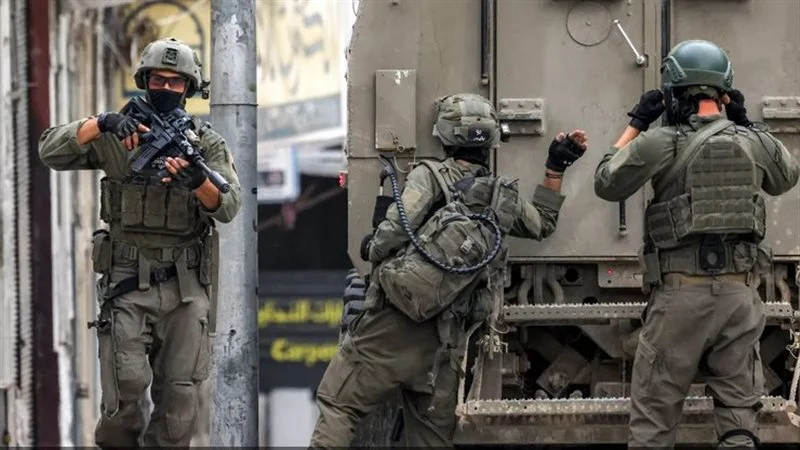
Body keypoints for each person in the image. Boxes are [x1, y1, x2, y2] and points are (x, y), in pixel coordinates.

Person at [309, 92, 587, 448]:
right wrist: (555, 168)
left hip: (393, 327)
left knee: (338, 404)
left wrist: (371, 247)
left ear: (444, 135)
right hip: (445, 343)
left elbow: (396, 229)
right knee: (431, 440)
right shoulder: (502, 197)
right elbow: (543, 223)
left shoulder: (428, 175)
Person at [593, 39, 800, 448]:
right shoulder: (751, 141)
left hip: (679, 297)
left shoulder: (660, 141)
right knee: (739, 419)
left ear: (673, 93)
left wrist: (637, 123)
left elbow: (606, 182)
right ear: (725, 93)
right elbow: (786, 176)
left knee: (654, 423)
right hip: (739, 297)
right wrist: (749, 123)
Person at [38, 37, 242, 448]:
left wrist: (197, 180)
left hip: (186, 288)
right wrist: (103, 123)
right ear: (144, 81)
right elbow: (49, 150)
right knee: (124, 391)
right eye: (158, 80)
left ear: (189, 88)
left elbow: (228, 205)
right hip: (128, 281)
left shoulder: (205, 144)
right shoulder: (120, 135)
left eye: (175, 82)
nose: (166, 88)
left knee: (180, 403)